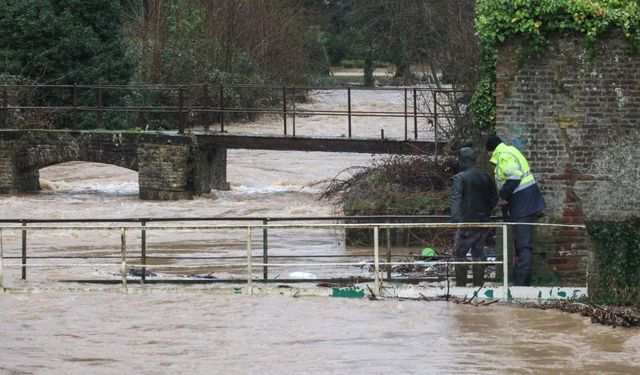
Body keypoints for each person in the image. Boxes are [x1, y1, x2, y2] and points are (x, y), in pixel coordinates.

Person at [485, 136, 546, 286]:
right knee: (521, 244)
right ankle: (520, 281)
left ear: (490, 150)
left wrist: (503, 196)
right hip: (525, 202)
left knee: (524, 245)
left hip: (522, 204)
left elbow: (514, 177)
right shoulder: (511, 150)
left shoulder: (504, 156)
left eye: (487, 153)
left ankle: (521, 285)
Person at [450, 147, 498, 287]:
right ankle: (478, 286)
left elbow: (456, 198)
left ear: (464, 161)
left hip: (467, 223)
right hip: (483, 222)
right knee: (478, 252)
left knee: (459, 253)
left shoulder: (460, 177)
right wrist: (485, 211)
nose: (458, 164)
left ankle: (461, 287)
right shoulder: (486, 176)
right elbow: (494, 197)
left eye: (459, 161)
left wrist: (455, 219)